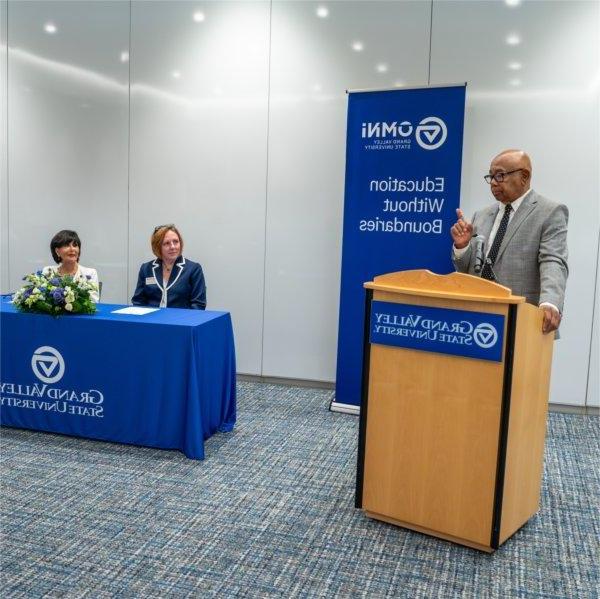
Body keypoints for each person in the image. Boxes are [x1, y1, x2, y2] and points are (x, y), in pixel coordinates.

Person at [451, 149, 568, 334]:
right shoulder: (480, 216)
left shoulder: (550, 212)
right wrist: (462, 246)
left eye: (500, 175)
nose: (493, 183)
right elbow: (468, 270)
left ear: (524, 176)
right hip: (477, 318)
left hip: (522, 321)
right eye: (491, 176)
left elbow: (553, 260)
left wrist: (550, 302)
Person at [132, 224, 206, 309]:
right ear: (158, 247)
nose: (173, 247)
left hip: (181, 321)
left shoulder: (193, 269)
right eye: (166, 243)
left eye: (176, 242)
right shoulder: (146, 269)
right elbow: (138, 301)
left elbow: (198, 305)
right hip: (151, 320)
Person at [44, 230, 100, 303]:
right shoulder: (48, 271)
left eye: (75, 245)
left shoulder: (90, 273)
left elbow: (93, 301)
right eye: (67, 245)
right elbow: (45, 299)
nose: (72, 249)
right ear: (57, 251)